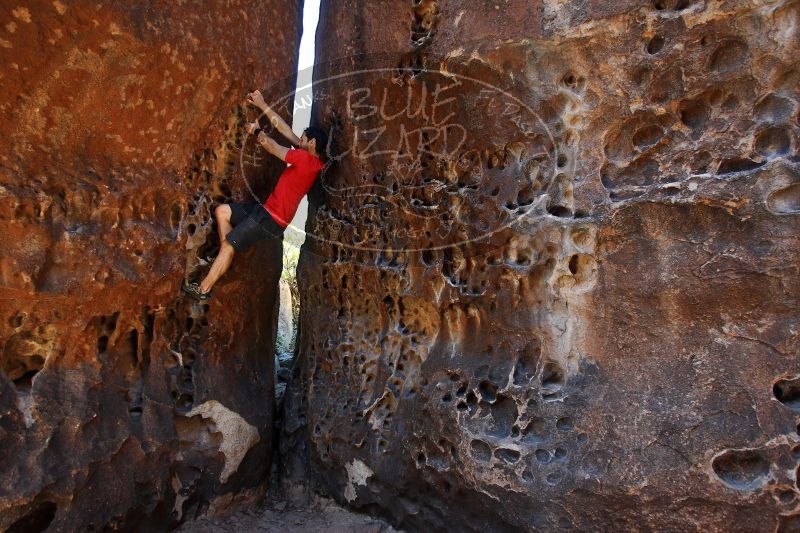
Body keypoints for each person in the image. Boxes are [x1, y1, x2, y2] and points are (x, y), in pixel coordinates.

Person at [181, 89, 327, 301]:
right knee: (222, 212)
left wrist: (257, 132)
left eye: (303, 139)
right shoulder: (312, 160)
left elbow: (273, 147)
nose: (299, 141)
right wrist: (262, 104)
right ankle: (224, 253)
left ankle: (203, 289)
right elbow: (285, 130)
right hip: (265, 212)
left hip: (271, 219)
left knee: (231, 245)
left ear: (311, 143)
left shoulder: (306, 161)